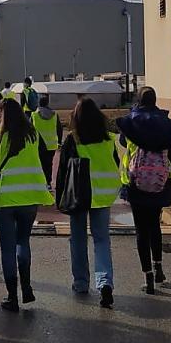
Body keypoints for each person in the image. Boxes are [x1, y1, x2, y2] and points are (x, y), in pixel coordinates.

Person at [0, 99, 55, 312]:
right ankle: (27, 286)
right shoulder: (33, 137)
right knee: (23, 242)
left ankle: (12, 296)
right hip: (29, 198)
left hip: (4, 200)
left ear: (2, 116)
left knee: (8, 247)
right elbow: (44, 160)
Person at [115, 87, 171, 295]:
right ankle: (159, 266)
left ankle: (148, 276)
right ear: (155, 101)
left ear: (138, 100)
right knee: (155, 225)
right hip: (159, 182)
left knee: (141, 230)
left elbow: (122, 141)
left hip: (136, 183)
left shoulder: (132, 123)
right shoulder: (165, 125)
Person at [55, 98, 121, 308]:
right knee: (102, 240)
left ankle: (81, 282)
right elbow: (115, 163)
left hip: (79, 196)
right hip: (102, 195)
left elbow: (63, 171)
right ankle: (105, 283)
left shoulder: (73, 140)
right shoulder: (109, 139)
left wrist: (59, 198)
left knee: (78, 239)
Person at [30, 94, 62, 183]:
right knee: (49, 164)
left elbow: (29, 130)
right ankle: (48, 181)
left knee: (39, 164)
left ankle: (41, 181)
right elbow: (59, 128)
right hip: (51, 144)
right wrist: (59, 140)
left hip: (38, 144)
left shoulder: (34, 115)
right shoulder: (54, 115)